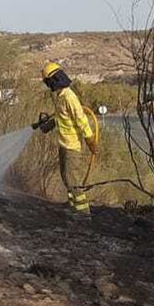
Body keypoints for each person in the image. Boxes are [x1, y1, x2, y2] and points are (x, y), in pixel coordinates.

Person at [42, 62, 97, 214]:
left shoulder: (69, 97)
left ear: (53, 80)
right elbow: (61, 117)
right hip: (64, 145)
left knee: (73, 182)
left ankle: (83, 213)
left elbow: (81, 120)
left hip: (72, 147)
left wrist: (90, 139)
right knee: (66, 178)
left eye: (48, 82)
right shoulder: (60, 96)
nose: (48, 86)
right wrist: (49, 125)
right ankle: (72, 206)